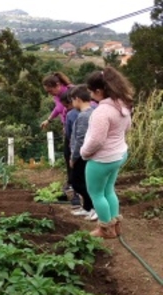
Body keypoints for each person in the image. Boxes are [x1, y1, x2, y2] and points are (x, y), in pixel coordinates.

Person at [81, 66, 133, 239]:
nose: (90, 95)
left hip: (102, 159)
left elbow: (96, 140)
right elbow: (127, 127)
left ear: (98, 91)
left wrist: (84, 153)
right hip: (119, 154)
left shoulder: (102, 112)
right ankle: (116, 225)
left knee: (96, 193)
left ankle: (105, 229)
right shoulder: (122, 105)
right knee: (109, 190)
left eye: (91, 91)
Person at [69, 85, 98, 222]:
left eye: (72, 100)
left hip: (82, 155)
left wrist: (74, 157)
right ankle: (87, 208)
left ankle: (94, 208)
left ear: (78, 99)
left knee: (77, 182)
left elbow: (81, 139)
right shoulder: (91, 112)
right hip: (85, 154)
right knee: (83, 182)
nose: (72, 104)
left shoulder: (84, 116)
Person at [60, 90, 81, 208]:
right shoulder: (93, 109)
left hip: (75, 147)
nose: (66, 108)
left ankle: (76, 198)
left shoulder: (71, 114)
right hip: (92, 148)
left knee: (74, 172)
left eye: (67, 105)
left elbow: (68, 134)